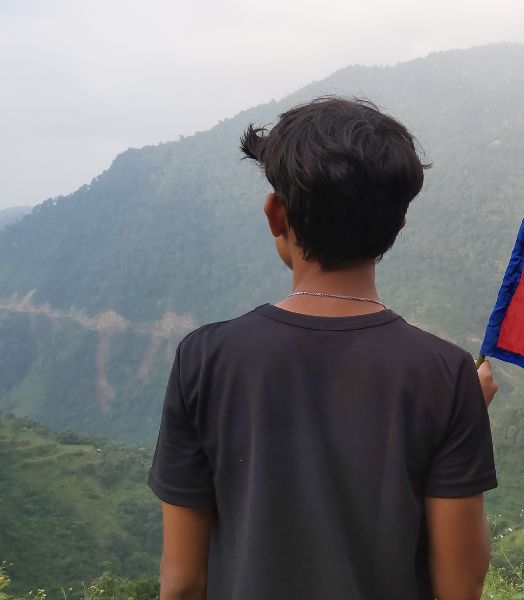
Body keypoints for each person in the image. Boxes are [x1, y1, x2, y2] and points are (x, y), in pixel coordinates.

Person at [147, 96, 499, 600]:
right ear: (397, 226)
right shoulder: (446, 375)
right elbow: (461, 585)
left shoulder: (204, 359)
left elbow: (182, 583)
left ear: (275, 214)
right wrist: (465, 408)